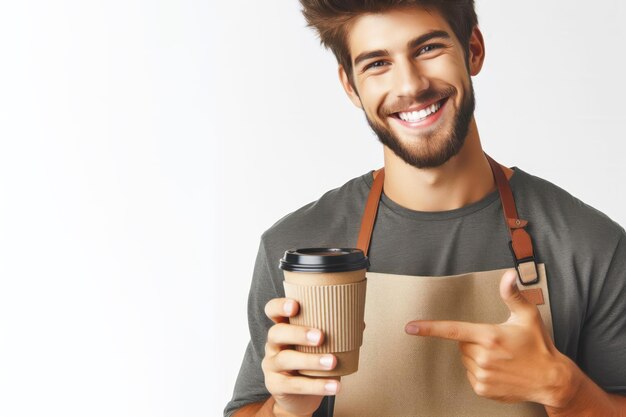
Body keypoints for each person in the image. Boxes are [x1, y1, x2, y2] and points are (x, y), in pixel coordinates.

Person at [224, 1, 626, 416]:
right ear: (350, 85)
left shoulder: (589, 244)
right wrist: (286, 409)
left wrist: (565, 390)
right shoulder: (295, 250)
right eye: (378, 63)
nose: (411, 85)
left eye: (428, 49)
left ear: (473, 49)